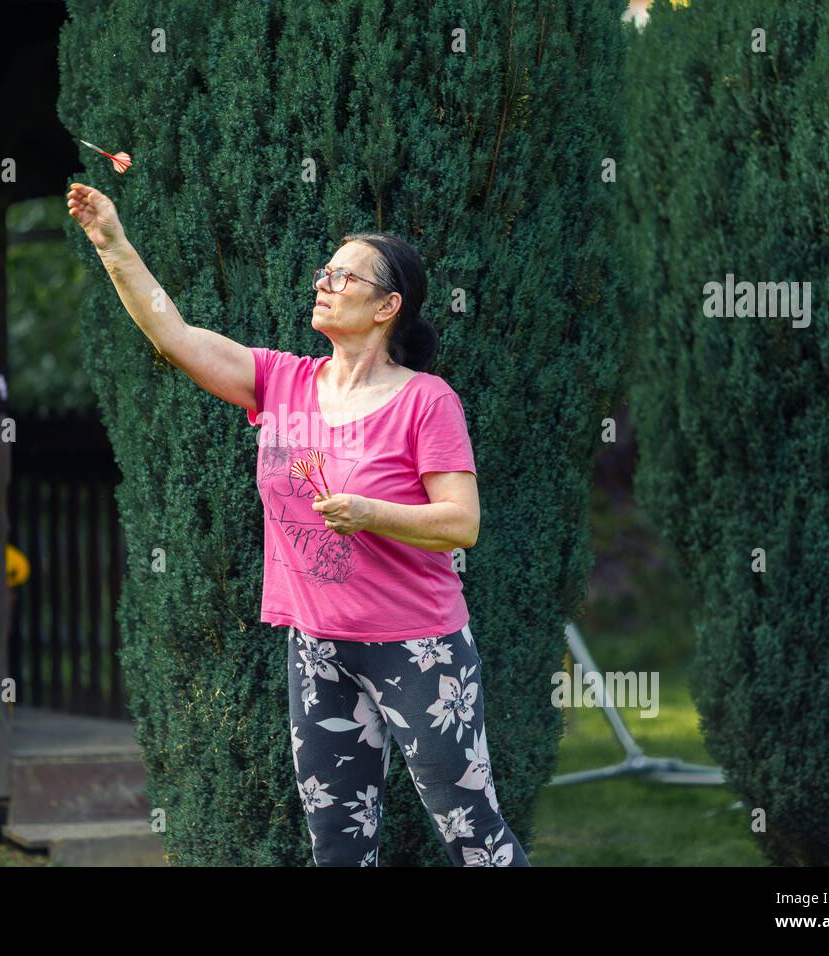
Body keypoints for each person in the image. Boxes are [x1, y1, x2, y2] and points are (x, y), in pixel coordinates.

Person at [67, 182, 529, 867]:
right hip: (318, 648)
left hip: (418, 650)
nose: (325, 282)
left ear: (387, 306)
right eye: (325, 271)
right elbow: (174, 334)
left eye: (343, 275)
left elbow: (461, 525)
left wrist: (370, 513)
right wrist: (113, 243)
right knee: (337, 848)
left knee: (471, 835)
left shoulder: (427, 402)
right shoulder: (281, 382)